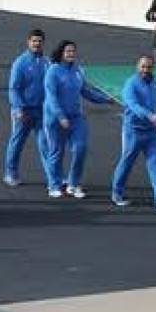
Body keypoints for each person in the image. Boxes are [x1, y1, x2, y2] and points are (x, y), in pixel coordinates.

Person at [43, 40, 115, 198]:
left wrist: (105, 99)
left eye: (73, 51)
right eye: (68, 51)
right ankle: (54, 184)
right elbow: (51, 97)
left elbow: (86, 91)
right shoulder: (53, 72)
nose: (71, 54)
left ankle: (73, 184)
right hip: (55, 119)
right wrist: (60, 116)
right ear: (61, 53)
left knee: (80, 148)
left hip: (76, 117)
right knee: (56, 151)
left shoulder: (78, 71)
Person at [110, 55, 156, 211]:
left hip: (152, 132)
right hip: (134, 130)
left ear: (153, 68)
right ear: (137, 67)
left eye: (149, 67)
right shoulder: (131, 84)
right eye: (143, 67)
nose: (146, 70)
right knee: (127, 161)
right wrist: (150, 116)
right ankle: (117, 193)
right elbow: (132, 104)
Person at [3, 28, 49, 187]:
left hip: (41, 111)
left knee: (46, 143)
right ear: (28, 42)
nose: (37, 44)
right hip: (24, 111)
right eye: (34, 41)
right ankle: (10, 173)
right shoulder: (20, 63)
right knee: (17, 142)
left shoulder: (46, 62)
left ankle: (53, 176)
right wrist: (18, 108)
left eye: (40, 41)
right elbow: (14, 88)